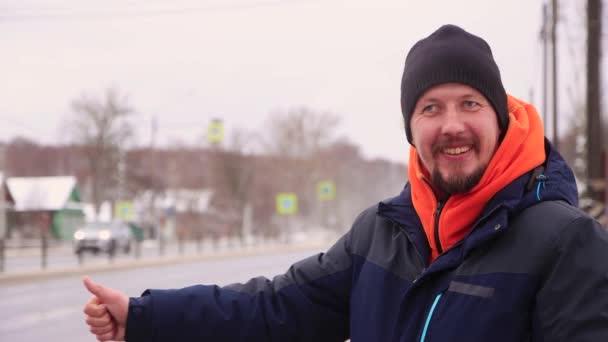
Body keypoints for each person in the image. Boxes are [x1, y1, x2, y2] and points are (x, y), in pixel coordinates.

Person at [82, 24, 608, 341]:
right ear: (411, 129)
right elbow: (274, 311)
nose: (452, 125)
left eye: (470, 104)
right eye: (431, 108)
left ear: (499, 119)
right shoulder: (379, 235)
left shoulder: (564, 242)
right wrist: (145, 319)